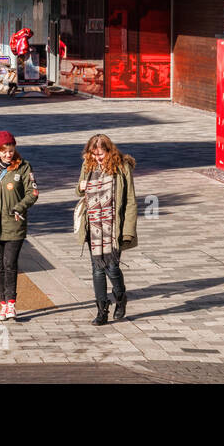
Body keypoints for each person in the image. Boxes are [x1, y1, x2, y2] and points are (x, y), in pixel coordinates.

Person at [0, 130, 38, 321]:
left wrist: (19, 207)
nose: (8, 154)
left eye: (10, 150)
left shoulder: (23, 167)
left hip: (14, 224)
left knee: (10, 263)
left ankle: (12, 304)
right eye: (4, 151)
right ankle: (2, 304)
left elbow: (32, 192)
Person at [75, 133, 138, 325]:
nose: (97, 158)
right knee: (97, 269)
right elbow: (79, 189)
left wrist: (128, 231)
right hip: (93, 226)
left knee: (112, 267)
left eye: (100, 154)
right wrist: (81, 185)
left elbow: (130, 201)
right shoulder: (88, 165)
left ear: (109, 151)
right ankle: (101, 310)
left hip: (113, 226)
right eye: (93, 154)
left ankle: (120, 297)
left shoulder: (122, 167)